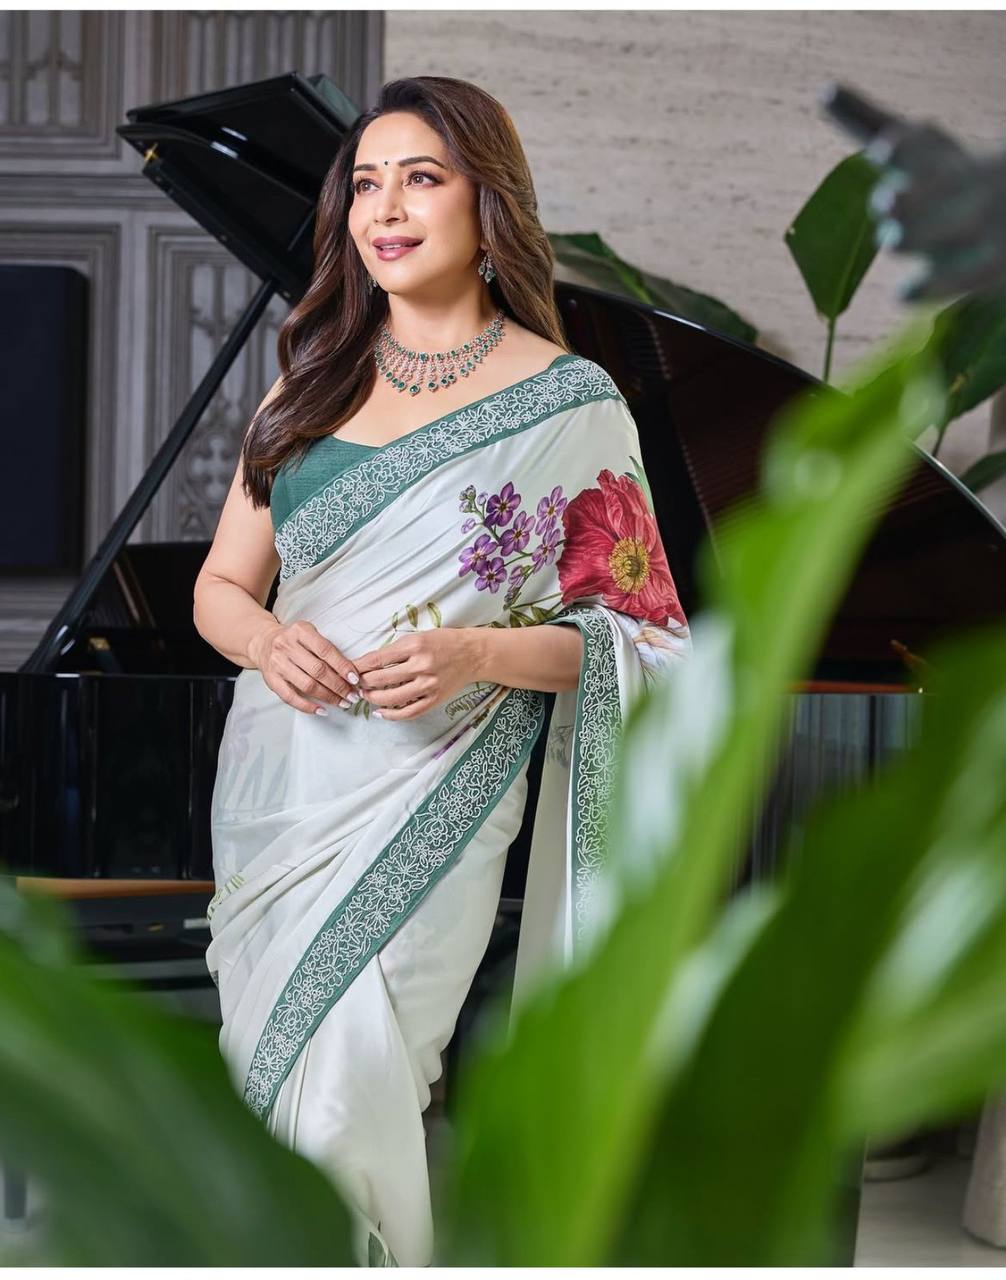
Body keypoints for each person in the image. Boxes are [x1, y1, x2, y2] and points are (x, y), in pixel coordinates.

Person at [194, 75, 692, 1267]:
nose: (386, 208)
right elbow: (220, 588)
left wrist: (475, 650)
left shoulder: (568, 404)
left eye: (421, 178)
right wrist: (267, 639)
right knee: (269, 1099)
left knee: (351, 1088)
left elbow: (643, 636)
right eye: (366, 183)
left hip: (440, 789)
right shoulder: (306, 385)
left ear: (487, 203)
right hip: (279, 789)